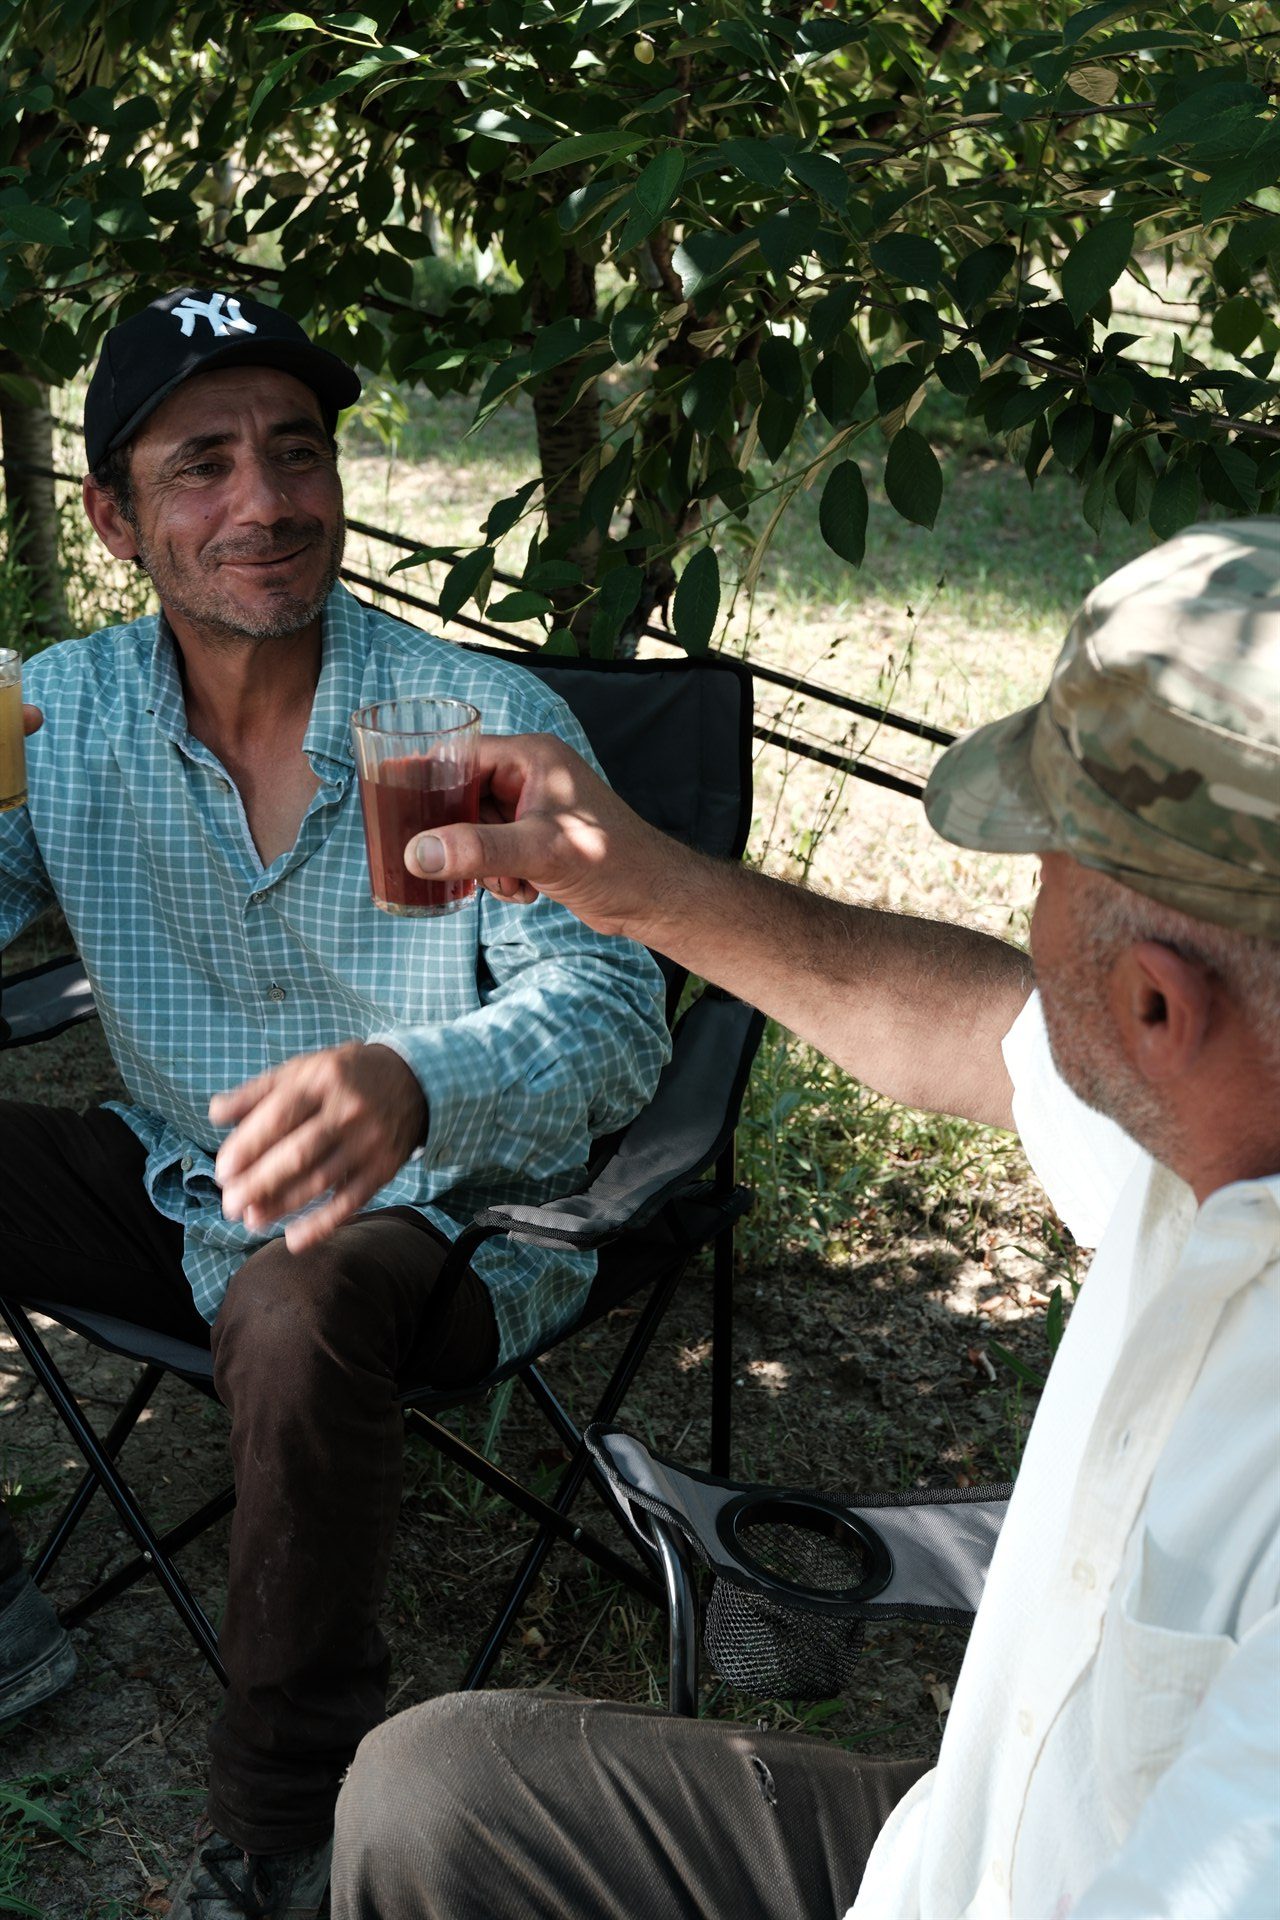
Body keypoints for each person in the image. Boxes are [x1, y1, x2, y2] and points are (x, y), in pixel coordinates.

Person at [330, 520, 1280, 1919]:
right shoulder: (1205, 1127)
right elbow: (971, 1027)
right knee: (438, 1796)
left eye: (1041, 870)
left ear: (1156, 1005)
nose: (1025, 919)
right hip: (963, 1852)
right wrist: (640, 878)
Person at [0, 288, 669, 1920]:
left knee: (298, 1303)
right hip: (187, 1175)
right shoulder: (57, 717)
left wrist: (416, 1080)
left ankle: (289, 1827)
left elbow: (613, 1015)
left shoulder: (467, 724)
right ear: (115, 518)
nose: (267, 501)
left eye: (296, 453)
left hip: (447, 1222)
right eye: (204, 464)